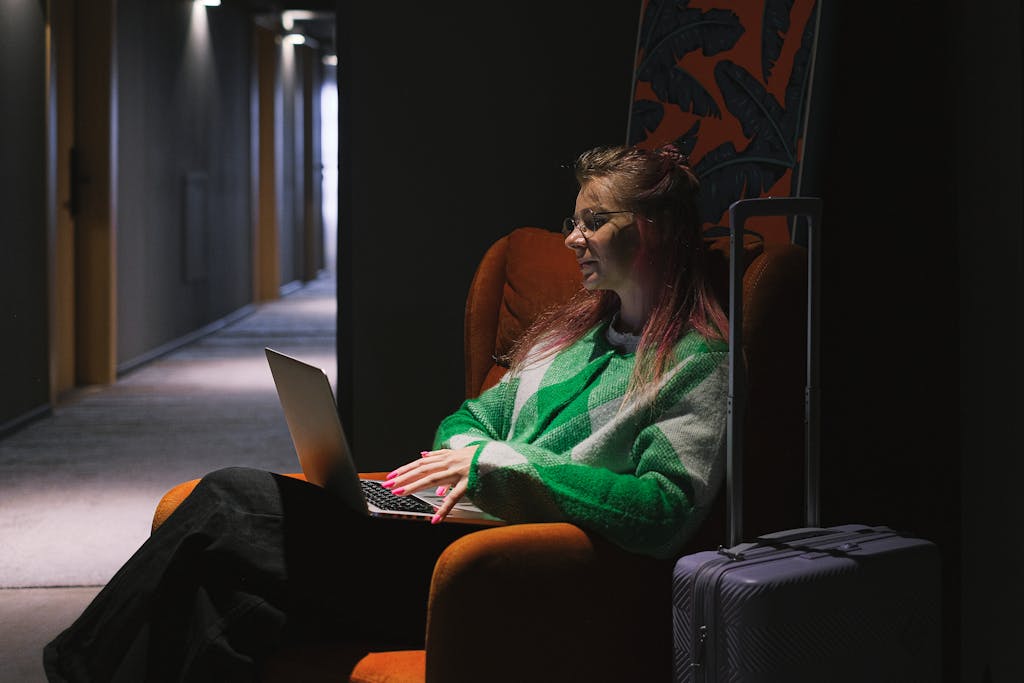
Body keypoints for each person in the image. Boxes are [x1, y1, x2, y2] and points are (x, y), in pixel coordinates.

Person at [43, 142, 729, 682]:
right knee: (227, 597)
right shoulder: (568, 336)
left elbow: (665, 508)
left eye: (594, 220)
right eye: (571, 220)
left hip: (500, 568)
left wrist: (507, 467)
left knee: (229, 498)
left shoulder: (696, 361)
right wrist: (472, 455)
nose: (573, 238)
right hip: (442, 529)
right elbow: (467, 421)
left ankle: (75, 665)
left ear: (654, 230)